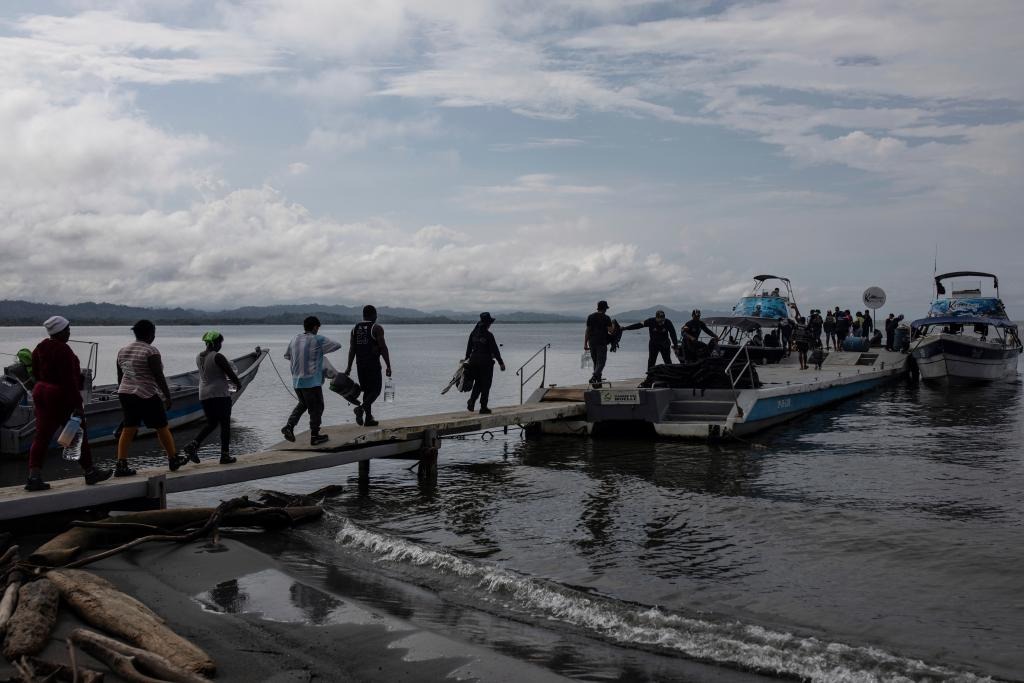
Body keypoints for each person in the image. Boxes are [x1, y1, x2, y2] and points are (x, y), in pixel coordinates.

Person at [24, 317, 112, 491]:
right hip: (59, 395)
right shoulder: (63, 350)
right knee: (78, 431)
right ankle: (90, 472)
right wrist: (78, 406)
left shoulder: (40, 347)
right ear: (60, 331)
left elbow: (35, 371)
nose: (70, 332)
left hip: (41, 391)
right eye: (67, 329)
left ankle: (34, 477)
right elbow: (69, 381)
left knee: (42, 436)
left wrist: (43, 384)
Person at [115, 319, 188, 475]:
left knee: (128, 428)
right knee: (161, 426)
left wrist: (124, 392)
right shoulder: (151, 351)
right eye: (153, 332)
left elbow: (121, 376)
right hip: (146, 394)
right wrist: (168, 397)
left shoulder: (122, 350)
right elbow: (158, 375)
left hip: (125, 392)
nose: (154, 336)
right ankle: (173, 458)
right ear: (150, 333)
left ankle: (121, 464)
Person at [183, 331, 242, 465]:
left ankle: (193, 445)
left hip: (204, 394)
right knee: (225, 424)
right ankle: (225, 455)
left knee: (212, 423)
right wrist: (238, 384)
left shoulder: (198, 356)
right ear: (215, 343)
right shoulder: (217, 356)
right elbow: (230, 373)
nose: (221, 345)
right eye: (220, 342)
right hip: (219, 394)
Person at [282, 316, 341, 445]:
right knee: (317, 407)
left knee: (303, 404)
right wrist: (318, 352)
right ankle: (315, 436)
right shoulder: (317, 339)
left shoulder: (294, 339)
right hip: (311, 382)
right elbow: (337, 345)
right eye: (318, 328)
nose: (318, 330)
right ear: (315, 327)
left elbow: (287, 356)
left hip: (297, 381)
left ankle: (289, 427)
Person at [345, 305, 392, 427]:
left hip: (360, 365)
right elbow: (383, 348)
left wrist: (349, 367)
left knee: (367, 391)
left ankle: (368, 419)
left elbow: (352, 350)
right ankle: (360, 409)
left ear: (363, 315)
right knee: (376, 390)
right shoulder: (376, 328)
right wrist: (388, 365)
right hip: (373, 365)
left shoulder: (355, 329)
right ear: (374, 315)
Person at [465, 313, 506, 414]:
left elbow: (469, 348)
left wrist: (467, 359)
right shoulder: (488, 335)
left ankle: (472, 400)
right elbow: (495, 350)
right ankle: (483, 407)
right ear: (488, 323)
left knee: (478, 383)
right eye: (490, 323)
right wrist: (501, 363)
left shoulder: (473, 333)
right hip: (485, 363)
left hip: (473, 361)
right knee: (486, 384)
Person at [584, 301, 613, 385]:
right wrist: (615, 327)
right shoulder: (606, 318)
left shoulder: (590, 317)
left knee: (596, 363)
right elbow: (611, 331)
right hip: (601, 342)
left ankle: (597, 383)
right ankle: (594, 377)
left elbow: (587, 331)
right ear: (604, 308)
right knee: (601, 362)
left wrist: (585, 343)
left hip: (592, 342)